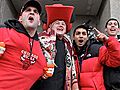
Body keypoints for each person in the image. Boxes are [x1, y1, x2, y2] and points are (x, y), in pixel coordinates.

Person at [31, 4, 79, 90]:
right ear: (50, 26)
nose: (61, 25)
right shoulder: (38, 40)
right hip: (42, 85)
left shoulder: (68, 45)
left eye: (63, 24)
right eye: (57, 23)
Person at [0, 0, 46, 90]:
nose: (32, 12)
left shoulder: (41, 48)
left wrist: (44, 74)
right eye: (28, 10)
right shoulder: (4, 31)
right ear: (20, 18)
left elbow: (43, 70)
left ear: (39, 21)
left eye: (35, 11)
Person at [72, 24, 120, 90]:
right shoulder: (70, 53)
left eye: (84, 34)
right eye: (78, 33)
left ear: (87, 37)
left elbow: (116, 60)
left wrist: (108, 40)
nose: (81, 36)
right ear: (73, 37)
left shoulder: (97, 49)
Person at [103, 18, 120, 90]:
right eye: (110, 24)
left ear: (118, 29)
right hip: (105, 84)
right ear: (106, 29)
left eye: (115, 24)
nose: (112, 26)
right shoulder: (100, 45)